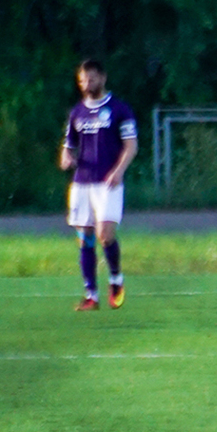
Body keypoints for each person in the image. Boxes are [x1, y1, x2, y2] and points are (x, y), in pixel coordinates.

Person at [59, 60, 138, 311]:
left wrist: (118, 171)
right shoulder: (77, 112)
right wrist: (66, 157)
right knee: (85, 238)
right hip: (82, 182)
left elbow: (131, 145)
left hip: (108, 182)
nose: (86, 84)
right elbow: (68, 146)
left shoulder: (119, 109)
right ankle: (91, 295)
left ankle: (115, 279)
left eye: (91, 79)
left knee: (106, 235)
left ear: (102, 78)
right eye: (82, 80)